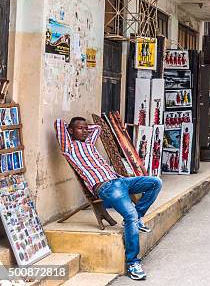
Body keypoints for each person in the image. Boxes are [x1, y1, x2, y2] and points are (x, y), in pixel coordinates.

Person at [54, 117, 162, 281]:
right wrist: (71, 128)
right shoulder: (68, 147)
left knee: (155, 182)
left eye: (85, 128)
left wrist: (84, 128)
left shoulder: (89, 144)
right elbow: (58, 123)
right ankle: (133, 263)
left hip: (120, 180)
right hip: (106, 187)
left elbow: (97, 127)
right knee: (130, 215)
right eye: (80, 129)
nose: (85, 131)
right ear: (70, 131)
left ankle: (138, 215)